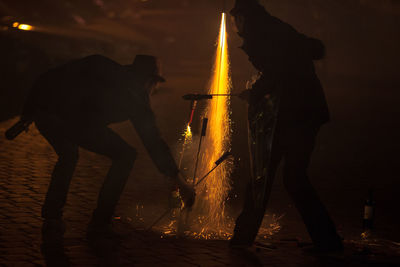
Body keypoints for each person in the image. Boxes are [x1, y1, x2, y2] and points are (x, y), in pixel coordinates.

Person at [12, 54, 195, 242]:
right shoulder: (135, 97)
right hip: (68, 119)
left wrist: (28, 110)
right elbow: (152, 141)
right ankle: (99, 224)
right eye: (156, 84)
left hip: (51, 114)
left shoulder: (103, 65)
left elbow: (49, 76)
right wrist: (178, 179)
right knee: (125, 156)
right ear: (148, 80)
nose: (155, 89)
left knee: (68, 155)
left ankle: (52, 219)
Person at [230, 0, 343, 252]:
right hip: (304, 113)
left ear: (245, 17)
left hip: (290, 115)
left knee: (264, 176)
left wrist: (255, 92)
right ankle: (328, 242)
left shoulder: (263, 34)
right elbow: (301, 55)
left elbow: (277, 70)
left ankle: (242, 240)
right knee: (293, 177)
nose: (235, 25)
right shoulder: (276, 29)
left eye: (236, 19)